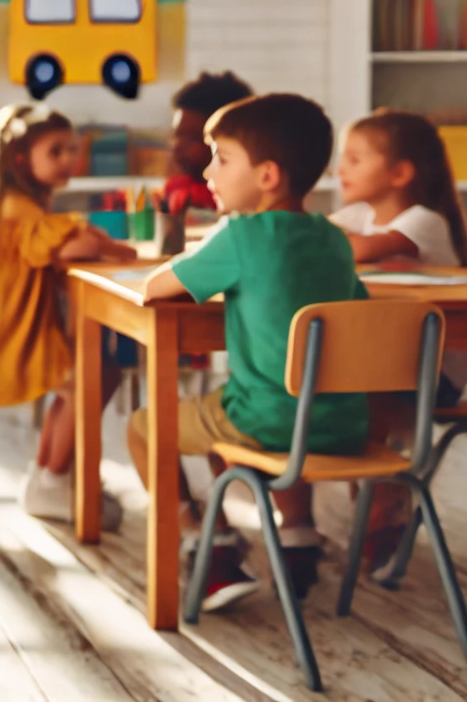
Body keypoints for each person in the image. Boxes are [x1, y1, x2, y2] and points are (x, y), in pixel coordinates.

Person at [134, 94, 366, 611]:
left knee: (145, 428)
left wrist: (198, 254)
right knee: (229, 412)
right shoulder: (334, 241)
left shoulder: (238, 235)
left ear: (267, 176)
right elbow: (357, 316)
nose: (208, 168)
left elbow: (154, 288)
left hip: (266, 420)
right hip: (347, 425)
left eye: (222, 158)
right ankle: (297, 538)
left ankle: (205, 544)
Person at [0, 104, 138, 526]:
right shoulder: (19, 208)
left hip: (1, 336)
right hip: (8, 344)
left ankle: (50, 475)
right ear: (21, 159)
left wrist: (97, 240)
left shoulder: (13, 202)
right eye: (56, 151)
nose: (69, 160)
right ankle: (53, 477)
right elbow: (73, 246)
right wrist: (108, 245)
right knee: (93, 376)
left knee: (94, 372)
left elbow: (64, 241)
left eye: (71, 150)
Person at [330, 107, 467, 568]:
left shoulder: (422, 221)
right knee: (335, 393)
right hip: (382, 368)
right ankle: (377, 504)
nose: (341, 169)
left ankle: (385, 500)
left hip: (433, 380)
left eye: (355, 159)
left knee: (348, 401)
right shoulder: (361, 213)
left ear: (400, 173)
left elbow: (346, 246)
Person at [165, 71, 253, 216]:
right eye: (177, 136)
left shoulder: (244, 200)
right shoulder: (177, 189)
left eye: (193, 138)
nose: (178, 147)